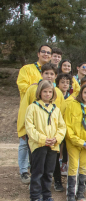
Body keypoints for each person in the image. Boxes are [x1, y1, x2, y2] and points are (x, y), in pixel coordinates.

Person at [17, 64, 64, 184]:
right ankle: (35, 186)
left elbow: (62, 113)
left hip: (53, 136)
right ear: (41, 74)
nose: (49, 76)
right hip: (36, 135)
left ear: (55, 76)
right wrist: (22, 129)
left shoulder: (57, 91)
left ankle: (53, 185)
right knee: (36, 163)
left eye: (52, 74)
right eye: (46, 73)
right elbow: (24, 110)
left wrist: (59, 135)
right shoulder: (32, 89)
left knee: (51, 163)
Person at [25, 80, 66, 201]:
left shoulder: (56, 109)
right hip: (39, 145)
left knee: (48, 172)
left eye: (50, 92)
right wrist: (43, 139)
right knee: (38, 172)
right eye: (45, 91)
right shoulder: (33, 107)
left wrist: (57, 138)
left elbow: (62, 127)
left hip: (53, 146)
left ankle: (46, 196)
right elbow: (30, 128)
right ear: (40, 92)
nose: (47, 94)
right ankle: (34, 199)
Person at [16, 45, 52, 184]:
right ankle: (24, 171)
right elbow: (22, 86)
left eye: (48, 52)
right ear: (38, 53)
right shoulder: (27, 69)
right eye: (43, 51)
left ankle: (35, 169)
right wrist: (37, 85)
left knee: (39, 142)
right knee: (25, 141)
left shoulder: (50, 71)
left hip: (44, 112)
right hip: (29, 107)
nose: (46, 54)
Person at [64, 84, 86, 201]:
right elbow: (67, 125)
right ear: (81, 93)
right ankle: (70, 194)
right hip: (73, 143)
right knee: (73, 166)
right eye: (85, 93)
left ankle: (80, 192)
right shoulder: (72, 106)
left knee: (84, 167)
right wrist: (78, 141)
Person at [53, 73, 74, 191]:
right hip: (57, 129)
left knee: (69, 152)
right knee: (56, 153)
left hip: (69, 128)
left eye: (67, 82)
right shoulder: (54, 94)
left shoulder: (72, 97)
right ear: (58, 83)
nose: (65, 84)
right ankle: (57, 181)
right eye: (62, 82)